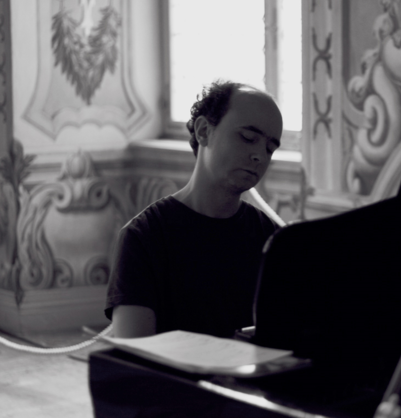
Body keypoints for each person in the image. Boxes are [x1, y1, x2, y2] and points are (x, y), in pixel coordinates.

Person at [105, 80, 283, 338]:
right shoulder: (144, 237)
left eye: (270, 148)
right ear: (203, 131)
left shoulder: (273, 240)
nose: (260, 156)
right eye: (248, 138)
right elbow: (135, 349)